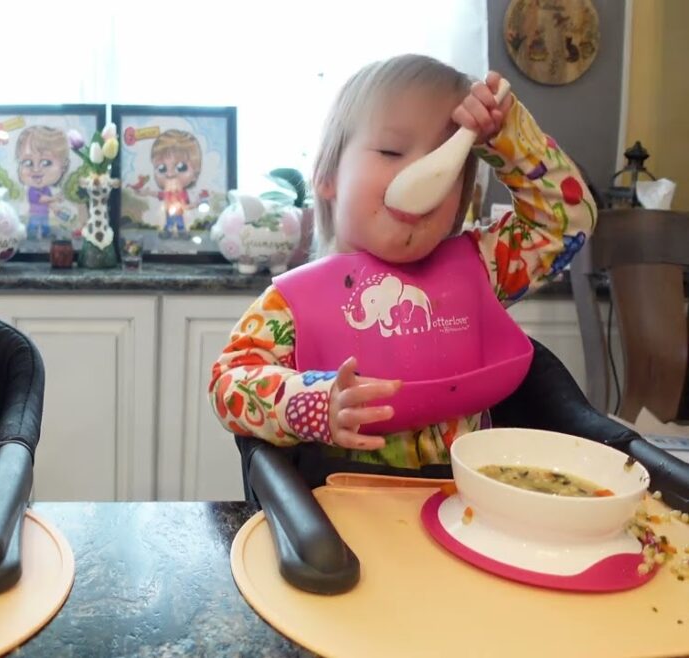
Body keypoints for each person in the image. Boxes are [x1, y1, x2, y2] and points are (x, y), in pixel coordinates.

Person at [209, 54, 597, 477]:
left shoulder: (483, 267)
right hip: (344, 527)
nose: (422, 175)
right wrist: (312, 403)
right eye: (392, 150)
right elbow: (230, 382)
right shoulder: (291, 305)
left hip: (462, 518)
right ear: (327, 175)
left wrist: (505, 136)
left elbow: (567, 220)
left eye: (446, 161)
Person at [15, 125, 70, 239]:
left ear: (63, 167)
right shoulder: (32, 190)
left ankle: (45, 236)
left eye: (46, 163)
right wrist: (55, 198)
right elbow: (41, 199)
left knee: (45, 227)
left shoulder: (46, 189)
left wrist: (56, 209)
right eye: (28, 162)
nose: (36, 170)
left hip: (44, 214)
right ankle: (31, 236)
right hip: (35, 214)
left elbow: (48, 202)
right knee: (33, 226)